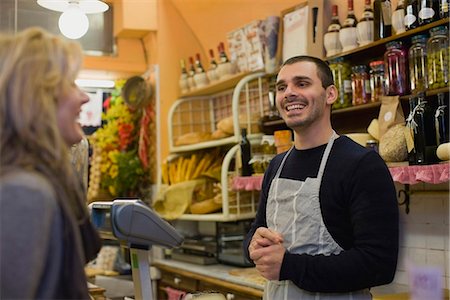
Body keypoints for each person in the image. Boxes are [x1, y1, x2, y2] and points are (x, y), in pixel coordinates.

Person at [243, 56, 399, 299]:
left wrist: (288, 266)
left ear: (330, 94)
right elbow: (256, 231)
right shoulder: (276, 166)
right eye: (282, 87)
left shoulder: (362, 165)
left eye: (302, 83)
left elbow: (378, 264)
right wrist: (253, 246)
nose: (289, 93)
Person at [0, 27, 102, 298]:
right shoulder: (24, 192)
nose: (84, 97)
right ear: (37, 97)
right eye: (71, 83)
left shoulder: (40, 180)